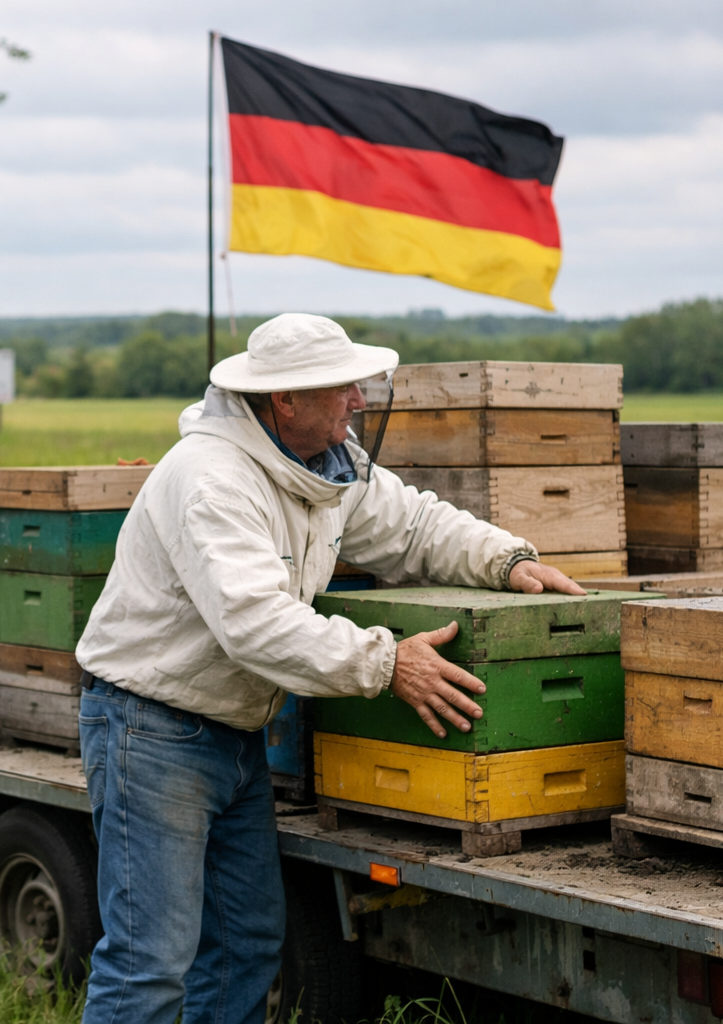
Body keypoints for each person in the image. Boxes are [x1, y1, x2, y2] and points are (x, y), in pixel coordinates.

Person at [73, 314, 585, 1024]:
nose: (360, 400)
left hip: (231, 732)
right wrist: (386, 661)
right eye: (343, 388)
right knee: (149, 965)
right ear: (285, 400)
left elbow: (413, 526)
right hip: (151, 733)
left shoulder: (325, 467)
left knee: (247, 945)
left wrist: (508, 559)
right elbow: (255, 622)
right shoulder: (212, 480)